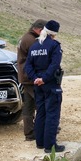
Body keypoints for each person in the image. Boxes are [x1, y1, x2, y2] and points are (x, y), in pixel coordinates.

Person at [24, 20, 65, 153]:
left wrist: (36, 78)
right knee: (52, 114)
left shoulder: (35, 46)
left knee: (41, 112)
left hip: (37, 85)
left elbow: (28, 66)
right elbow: (54, 65)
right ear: (54, 33)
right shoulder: (54, 45)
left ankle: (40, 143)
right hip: (51, 84)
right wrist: (44, 79)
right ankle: (50, 146)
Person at [17, 19, 47, 141]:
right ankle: (42, 130)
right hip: (31, 78)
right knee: (42, 103)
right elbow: (39, 58)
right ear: (39, 30)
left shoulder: (27, 37)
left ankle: (29, 133)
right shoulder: (31, 40)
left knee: (29, 105)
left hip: (26, 77)